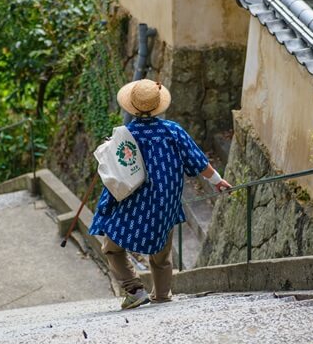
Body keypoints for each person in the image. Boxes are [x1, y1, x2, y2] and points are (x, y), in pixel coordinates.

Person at [88, 78, 231, 310]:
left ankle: (134, 289)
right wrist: (217, 181)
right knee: (161, 252)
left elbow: (115, 170)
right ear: (158, 105)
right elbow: (198, 161)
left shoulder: (124, 135)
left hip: (132, 203)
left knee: (112, 247)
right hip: (164, 203)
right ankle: (162, 295)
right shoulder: (173, 131)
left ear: (132, 106)